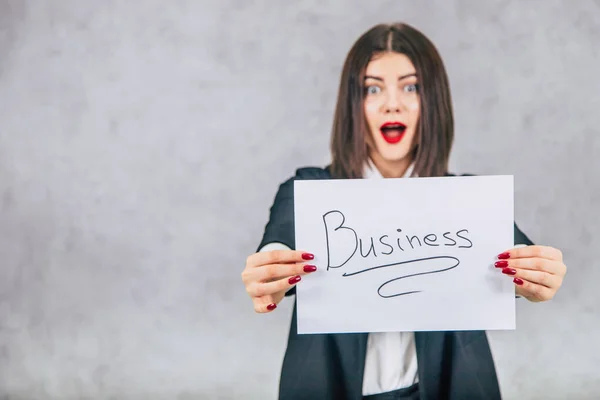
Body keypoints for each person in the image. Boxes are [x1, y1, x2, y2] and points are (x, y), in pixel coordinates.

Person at [241, 22, 567, 400]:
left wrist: (539, 276)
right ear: (354, 104)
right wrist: (267, 274)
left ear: (434, 101)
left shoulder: (468, 199)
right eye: (372, 88)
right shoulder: (308, 191)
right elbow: (276, 244)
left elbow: (521, 261)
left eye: (411, 87)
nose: (391, 103)